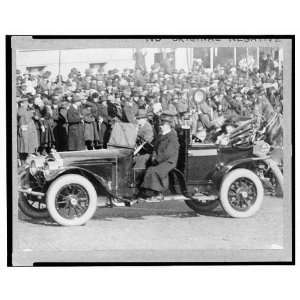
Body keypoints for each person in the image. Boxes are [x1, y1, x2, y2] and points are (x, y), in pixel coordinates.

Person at [139, 111, 179, 201]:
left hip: (169, 161)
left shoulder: (172, 136)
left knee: (154, 171)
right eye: (161, 124)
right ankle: (146, 191)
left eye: (162, 124)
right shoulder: (161, 135)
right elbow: (155, 148)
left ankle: (158, 193)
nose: (160, 126)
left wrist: (156, 159)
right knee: (144, 166)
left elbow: (168, 153)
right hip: (160, 159)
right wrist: (153, 156)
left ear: (168, 125)